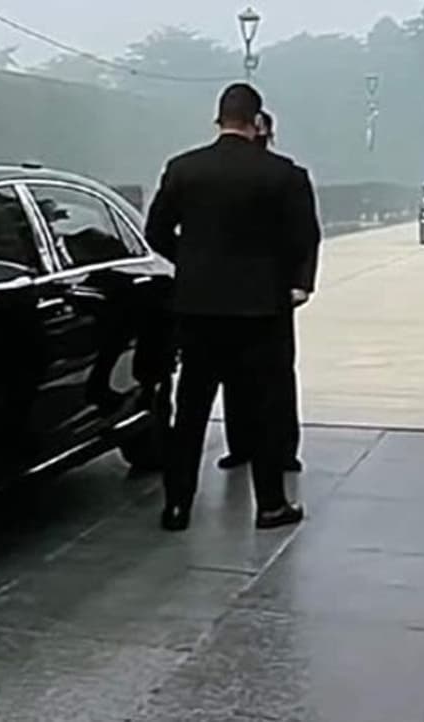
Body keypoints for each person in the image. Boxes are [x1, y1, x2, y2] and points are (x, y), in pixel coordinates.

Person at [145, 83, 315, 532]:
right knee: (263, 408)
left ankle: (177, 506)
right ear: (257, 122)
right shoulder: (284, 175)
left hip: (198, 306)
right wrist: (297, 283)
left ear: (218, 119)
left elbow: (155, 231)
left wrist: (191, 263)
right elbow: (304, 237)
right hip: (261, 309)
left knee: (191, 408)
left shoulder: (183, 169)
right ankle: (271, 505)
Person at [217, 110, 321, 473]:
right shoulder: (239, 174)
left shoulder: (287, 175)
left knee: (274, 374)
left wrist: (301, 282)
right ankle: (243, 444)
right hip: (245, 287)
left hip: (270, 288)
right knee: (238, 373)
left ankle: (281, 448)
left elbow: (306, 234)